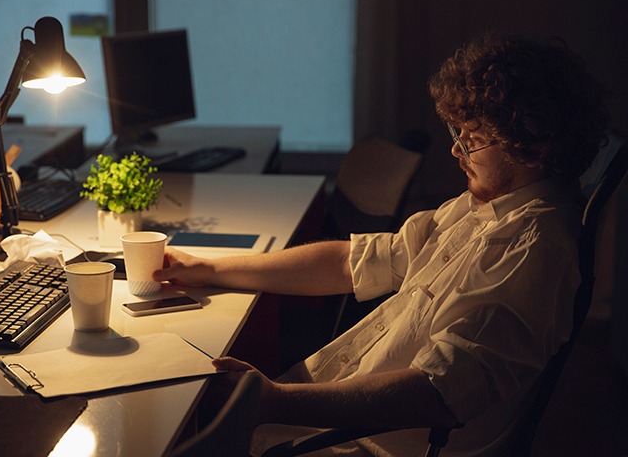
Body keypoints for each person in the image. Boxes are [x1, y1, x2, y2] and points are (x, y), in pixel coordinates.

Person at [154, 33, 610, 456]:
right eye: (459, 134)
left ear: (532, 149)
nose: (456, 151)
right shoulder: (484, 208)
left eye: (473, 141)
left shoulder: (534, 247)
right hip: (322, 423)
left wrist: (274, 403)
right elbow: (350, 262)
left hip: (359, 446)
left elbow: (437, 393)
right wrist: (212, 270)